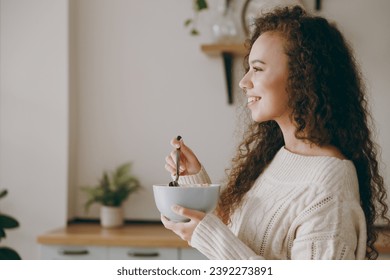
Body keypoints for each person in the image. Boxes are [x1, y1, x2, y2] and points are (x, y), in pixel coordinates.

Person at [162, 5, 389, 260]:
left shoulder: (329, 189)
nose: (244, 81)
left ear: (303, 76)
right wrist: (195, 180)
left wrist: (212, 238)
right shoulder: (281, 156)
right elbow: (240, 240)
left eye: (257, 69)